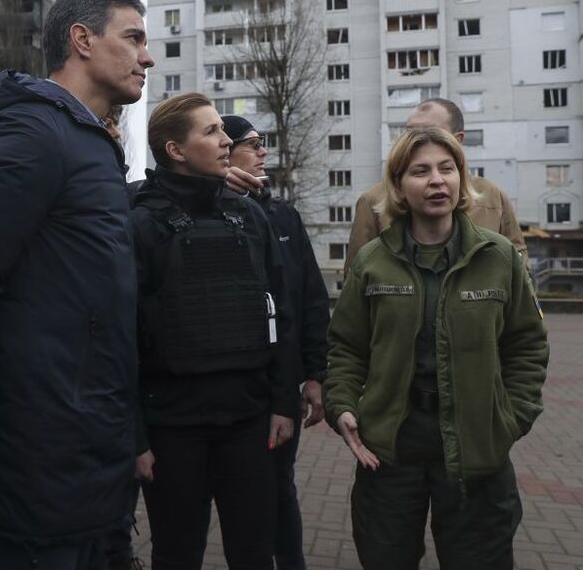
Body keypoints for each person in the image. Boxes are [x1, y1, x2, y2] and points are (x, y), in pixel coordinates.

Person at [0, 0, 154, 570]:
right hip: (43, 452)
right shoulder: (34, 132)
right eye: (133, 38)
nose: (146, 57)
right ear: (81, 40)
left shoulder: (84, 141)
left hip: (89, 447)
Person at [325, 127, 548, 570]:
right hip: (390, 446)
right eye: (420, 171)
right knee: (386, 557)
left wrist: (511, 417)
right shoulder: (372, 260)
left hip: (476, 445)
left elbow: (526, 343)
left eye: (447, 169)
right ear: (399, 187)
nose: (436, 180)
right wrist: (343, 404)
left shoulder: (499, 257)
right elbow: (347, 347)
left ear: (461, 180)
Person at [131, 93, 297, 570]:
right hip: (172, 429)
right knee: (177, 555)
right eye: (211, 132)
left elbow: (278, 310)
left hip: (248, 422)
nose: (227, 140)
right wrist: (135, 436)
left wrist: (283, 402)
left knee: (253, 553)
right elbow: (122, 338)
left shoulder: (249, 215)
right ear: (175, 150)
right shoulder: (141, 224)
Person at [222, 115, 329, 570]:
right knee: (238, 492)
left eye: (263, 143)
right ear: (225, 153)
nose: (263, 151)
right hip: (232, 387)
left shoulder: (283, 214)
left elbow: (309, 299)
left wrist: (315, 374)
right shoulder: (212, 211)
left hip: (281, 385)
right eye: (252, 144)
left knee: (280, 485)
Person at [344, 98, 527, 272]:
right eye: (410, 132)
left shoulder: (492, 196)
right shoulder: (374, 201)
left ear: (458, 140)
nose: (419, 141)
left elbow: (519, 266)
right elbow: (357, 276)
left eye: (431, 132)